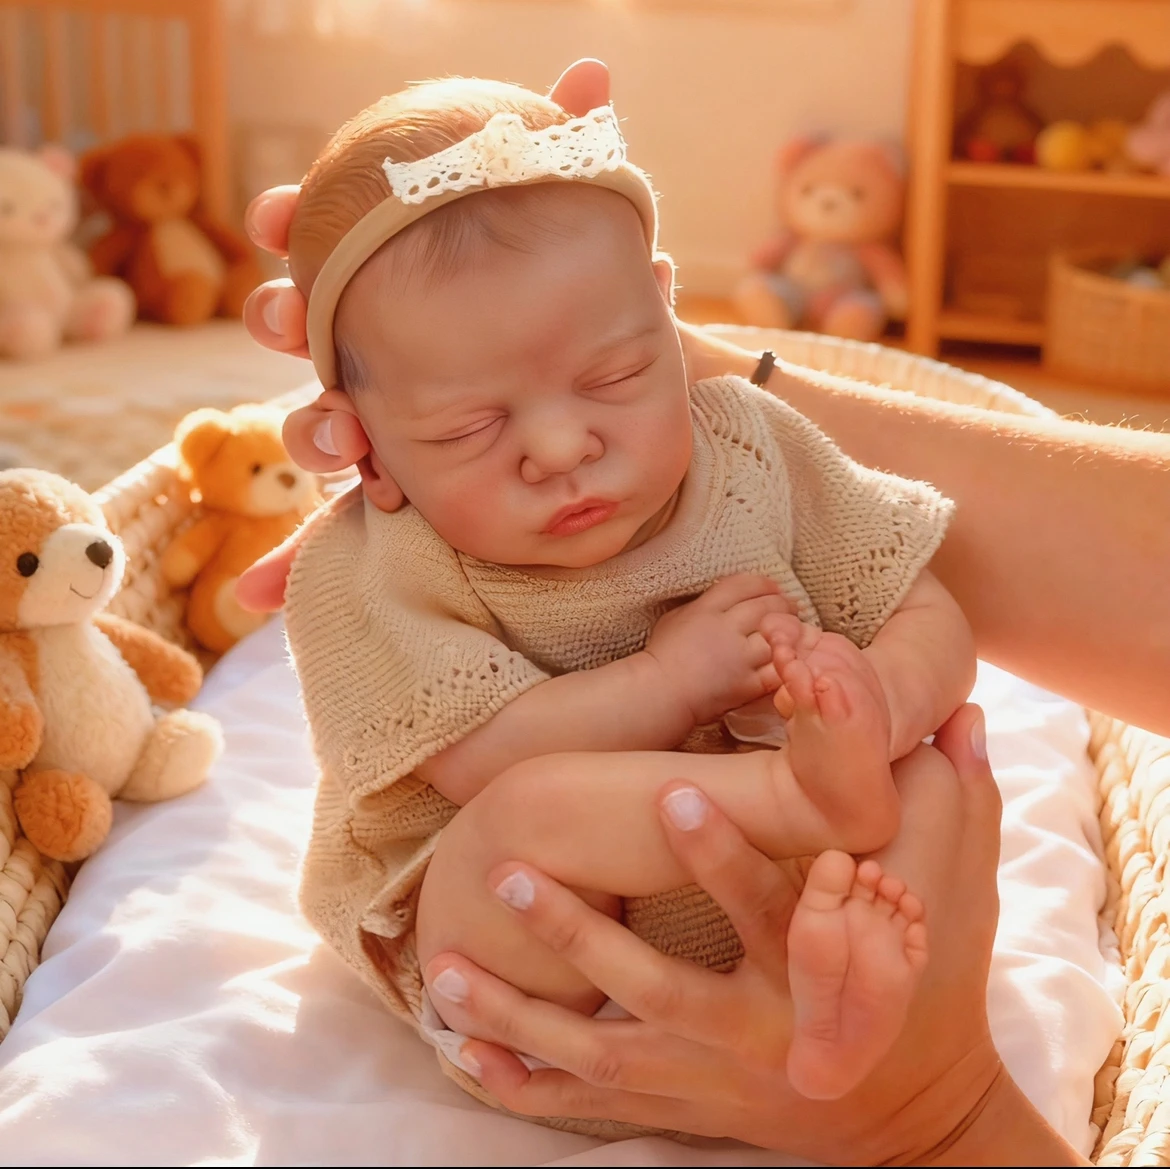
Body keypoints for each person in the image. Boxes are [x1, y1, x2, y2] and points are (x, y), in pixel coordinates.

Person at [237, 58, 1169, 1165]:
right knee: (527, 813)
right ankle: (807, 821)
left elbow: (917, 595)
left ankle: (855, 997)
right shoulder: (376, 565)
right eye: (468, 430)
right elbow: (475, 761)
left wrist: (883, 692)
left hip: (791, 912)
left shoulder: (750, 445)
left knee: (940, 773)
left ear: (670, 312)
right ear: (363, 440)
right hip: (553, 975)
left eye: (618, 374)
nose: (559, 443)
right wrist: (672, 685)